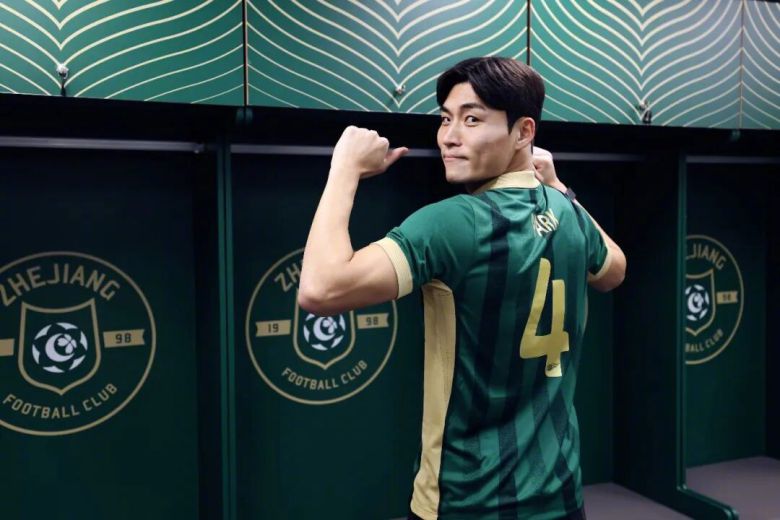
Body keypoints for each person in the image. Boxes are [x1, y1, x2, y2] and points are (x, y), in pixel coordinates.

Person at [298, 57, 626, 520]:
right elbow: (614, 270)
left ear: (524, 132)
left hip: (466, 502)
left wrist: (344, 169)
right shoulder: (568, 212)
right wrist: (559, 188)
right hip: (562, 497)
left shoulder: (452, 222)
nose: (449, 137)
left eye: (472, 120)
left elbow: (320, 289)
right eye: (445, 119)